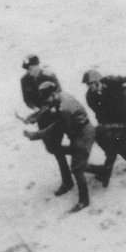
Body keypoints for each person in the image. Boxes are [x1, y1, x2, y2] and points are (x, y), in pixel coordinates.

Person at [24, 81, 97, 212]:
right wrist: (34, 117)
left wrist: (36, 135)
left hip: (83, 135)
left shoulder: (65, 108)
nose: (47, 102)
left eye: (48, 99)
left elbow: (58, 126)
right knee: (77, 160)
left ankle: (84, 201)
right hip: (79, 133)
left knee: (76, 168)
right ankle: (103, 171)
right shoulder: (60, 96)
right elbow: (50, 110)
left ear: (53, 94)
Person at [19, 54, 72, 196]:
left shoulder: (49, 76)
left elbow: (59, 94)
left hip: (57, 115)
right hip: (42, 118)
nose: (31, 71)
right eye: (28, 69)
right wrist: (35, 110)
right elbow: (27, 100)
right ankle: (75, 153)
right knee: (51, 148)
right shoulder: (25, 81)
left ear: (38, 65)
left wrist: (50, 108)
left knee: (59, 147)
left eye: (33, 67)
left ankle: (67, 181)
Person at [81, 69, 126, 187]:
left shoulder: (111, 81)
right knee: (111, 142)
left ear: (98, 82)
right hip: (107, 121)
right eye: (88, 85)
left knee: (114, 143)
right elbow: (99, 111)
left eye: (92, 84)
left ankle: (105, 173)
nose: (90, 87)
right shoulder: (90, 96)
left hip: (121, 116)